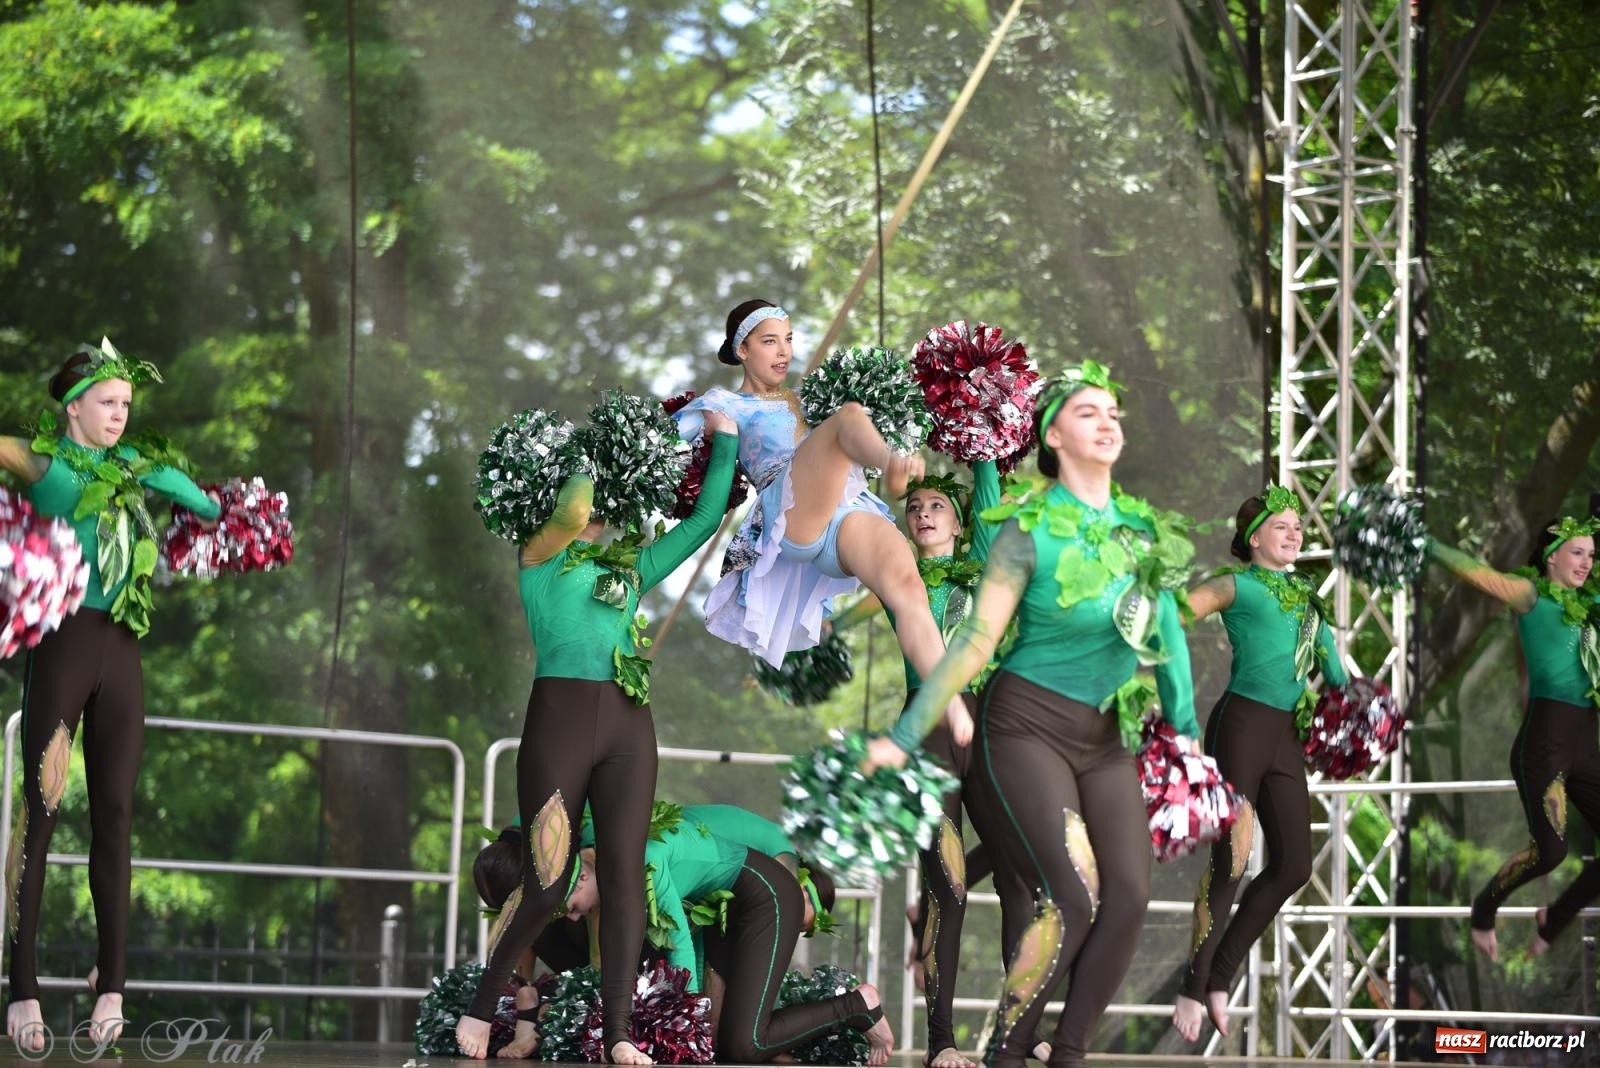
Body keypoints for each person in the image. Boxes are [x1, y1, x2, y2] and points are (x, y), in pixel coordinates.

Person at [865, 363, 1201, 1068]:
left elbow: (1166, 637)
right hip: (1018, 724)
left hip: (1102, 735)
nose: (1108, 420)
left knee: (1129, 897)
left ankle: (1064, 1052)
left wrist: (1187, 737)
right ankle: (988, 1051)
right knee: (1063, 897)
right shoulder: (1021, 534)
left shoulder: (1141, 534)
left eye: (1114, 410)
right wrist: (902, 733)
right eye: (1087, 411)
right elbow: (976, 643)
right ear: (1052, 435)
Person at [454, 410, 739, 1063]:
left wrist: (721, 439)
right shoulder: (542, 550)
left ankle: (619, 1033)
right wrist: (606, 446)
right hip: (559, 718)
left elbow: (701, 524)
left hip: (628, 725)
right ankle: (482, 1005)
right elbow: (577, 508)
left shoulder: (631, 564)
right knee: (549, 881)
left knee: (624, 877)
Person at [0, 339, 222, 1050]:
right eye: (108, 402)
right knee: (41, 811)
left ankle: (113, 987)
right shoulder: (43, 462)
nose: (121, 415)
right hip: (63, 648)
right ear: (73, 406)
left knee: (118, 816)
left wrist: (154, 466)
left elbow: (209, 510)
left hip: (123, 653)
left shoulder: (132, 463)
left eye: (128, 404)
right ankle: (23, 991)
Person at [673, 300, 971, 740]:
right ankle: (890, 461)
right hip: (790, 514)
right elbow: (663, 445)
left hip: (849, 509)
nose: (784, 352)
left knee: (908, 587)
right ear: (742, 350)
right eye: (770, 341)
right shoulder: (723, 404)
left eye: (788, 340)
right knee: (849, 415)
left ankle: (948, 702)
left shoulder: (806, 398)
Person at [831, 463, 1035, 1067]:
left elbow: (992, 501)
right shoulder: (900, 578)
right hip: (929, 737)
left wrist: (982, 444)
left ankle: (1021, 1034)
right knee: (946, 889)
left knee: (1020, 881)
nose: (923, 512)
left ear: (960, 519)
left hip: (994, 733)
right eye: (914, 506)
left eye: (937, 506)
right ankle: (942, 1041)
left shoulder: (986, 568)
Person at [1171, 486, 1346, 1042]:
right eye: (1282, 526)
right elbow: (1172, 618)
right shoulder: (1237, 585)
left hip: (1284, 737)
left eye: (1298, 527)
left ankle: (1220, 974)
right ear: (1252, 538)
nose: (1294, 534)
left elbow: (1336, 673)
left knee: (1295, 865)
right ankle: (1193, 986)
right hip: (1242, 727)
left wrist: (1358, 718)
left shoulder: (1307, 598)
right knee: (1233, 859)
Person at [565, 822, 893, 1065]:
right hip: (726, 911)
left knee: (746, 1046)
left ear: (582, 877)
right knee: (722, 1047)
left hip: (767, 895)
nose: (573, 917)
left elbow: (679, 944)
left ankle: (857, 1006)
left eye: (570, 905)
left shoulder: (643, 868)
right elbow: (691, 940)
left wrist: (685, 1031)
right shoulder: (607, 852)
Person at [1430, 516, 1598, 962]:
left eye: (1591, 554)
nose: (1586, 562)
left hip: (1586, 742)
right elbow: (1475, 572)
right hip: (1544, 743)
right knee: (1551, 852)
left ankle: (1552, 922)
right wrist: (1424, 542)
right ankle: (1484, 908)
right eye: (1577, 552)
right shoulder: (1531, 596)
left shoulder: (1594, 604)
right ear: (1551, 556)